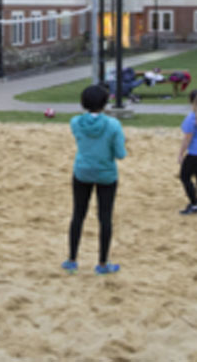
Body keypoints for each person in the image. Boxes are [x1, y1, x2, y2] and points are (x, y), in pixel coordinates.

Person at [63, 84, 127, 275]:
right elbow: (120, 154)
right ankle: (102, 263)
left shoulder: (75, 122)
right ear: (105, 103)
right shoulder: (113, 125)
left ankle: (72, 259)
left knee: (78, 215)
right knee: (105, 218)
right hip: (106, 174)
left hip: (82, 171)